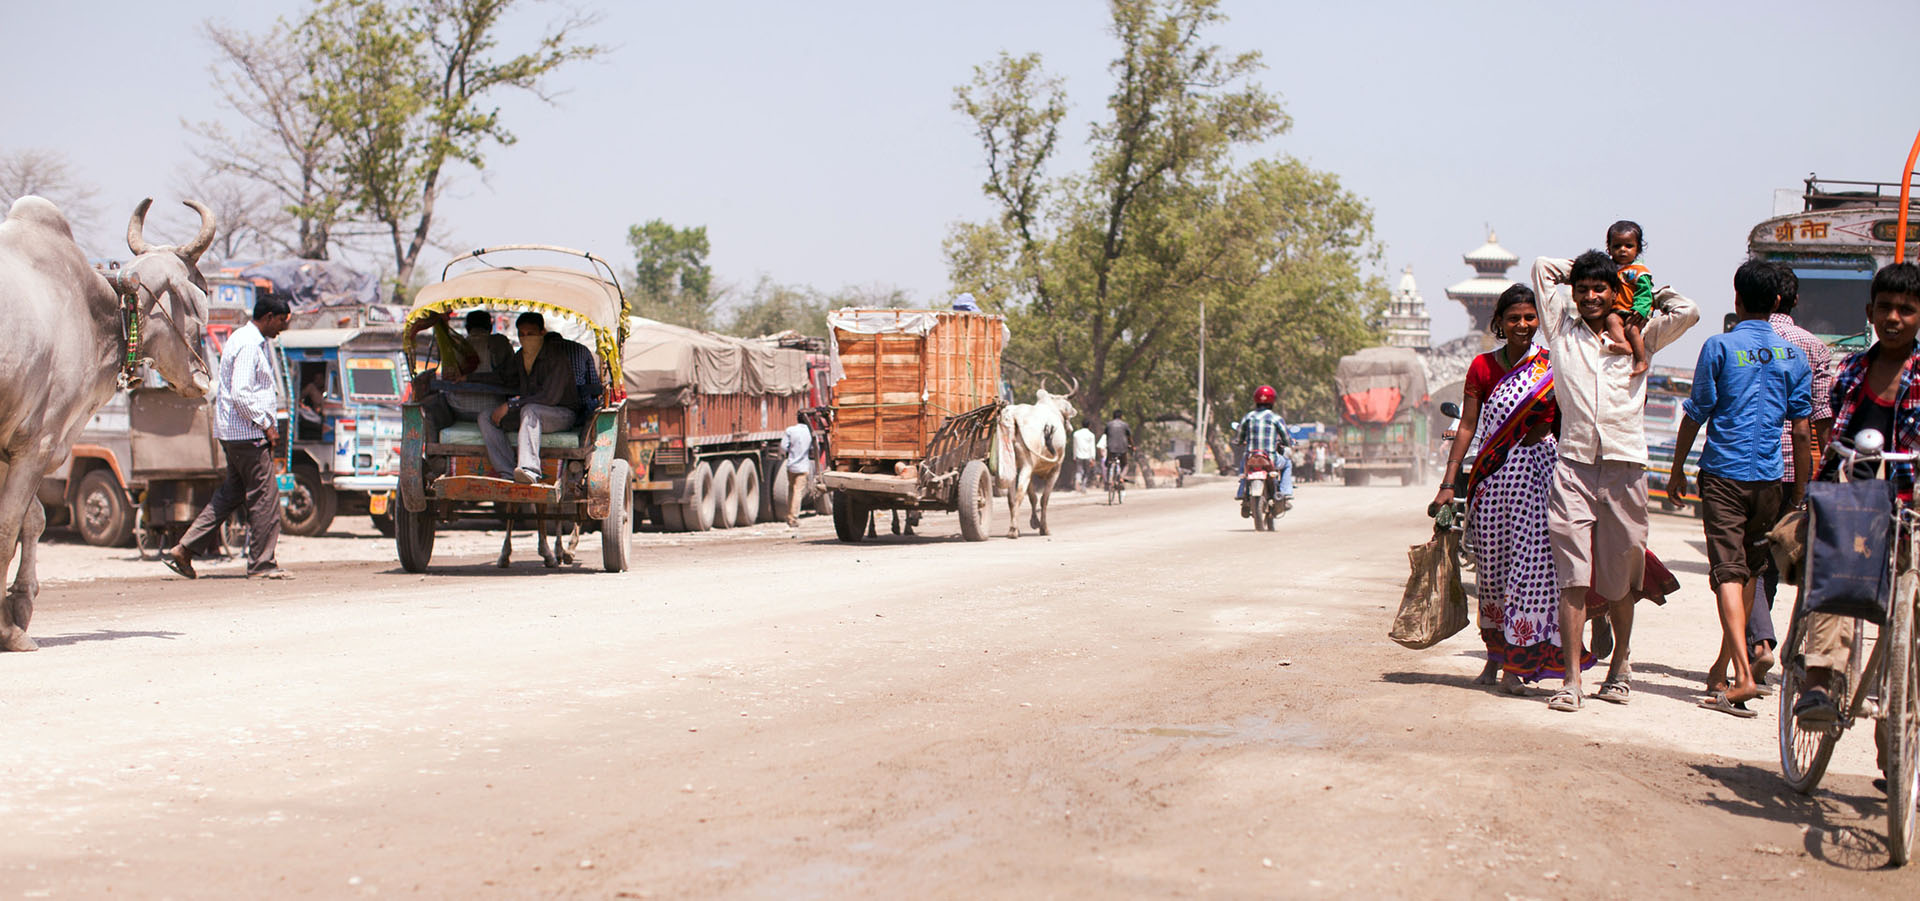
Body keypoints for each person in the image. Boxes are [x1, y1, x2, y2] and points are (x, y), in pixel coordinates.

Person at [1532, 249, 1699, 712]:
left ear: (1613, 292)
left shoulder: (1640, 332)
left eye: (1598, 289)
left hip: (1626, 466)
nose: (1588, 296)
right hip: (1574, 465)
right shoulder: (1560, 329)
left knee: (1621, 576)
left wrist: (1636, 284)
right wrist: (1589, 266)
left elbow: (1689, 311)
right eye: (1582, 289)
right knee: (1573, 578)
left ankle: (1620, 664)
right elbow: (1543, 266)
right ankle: (1570, 681)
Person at [1666, 261, 1812, 717]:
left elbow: (1696, 412)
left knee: (1727, 574)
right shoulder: (1795, 356)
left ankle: (1743, 677)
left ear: (1736, 299)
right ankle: (1722, 667)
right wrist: (1800, 494)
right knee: (1748, 571)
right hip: (1769, 480)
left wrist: (1676, 468)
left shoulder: (1719, 347)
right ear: (1776, 303)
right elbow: (1804, 433)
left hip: (1724, 476)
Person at [1432, 284, 1583, 692]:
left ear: (1540, 321)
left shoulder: (1553, 367)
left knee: (1531, 572)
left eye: (1530, 317)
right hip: (1491, 484)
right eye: (1513, 318)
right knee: (1492, 576)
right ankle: (1494, 659)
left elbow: (1566, 427)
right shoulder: (1481, 367)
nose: (1522, 325)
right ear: (1498, 321)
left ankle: (1519, 665)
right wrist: (1449, 482)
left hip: (1539, 483)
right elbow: (1467, 426)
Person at [1794, 262, 1920, 730]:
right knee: (1839, 580)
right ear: (1870, 312)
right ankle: (1820, 681)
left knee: (1910, 620)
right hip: (1854, 501)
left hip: (1910, 501)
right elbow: (1829, 440)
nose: (1894, 318)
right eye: (1885, 307)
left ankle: (1897, 738)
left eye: (1906, 310)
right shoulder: (1850, 370)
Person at [160, 296, 294, 580]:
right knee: (265, 498)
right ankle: (261, 564)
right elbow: (241, 393)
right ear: (269, 317)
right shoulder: (248, 345)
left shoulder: (247, 340)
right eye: (282, 321)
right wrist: (267, 424)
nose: (283, 328)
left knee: (230, 494)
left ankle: (185, 549)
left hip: (235, 433)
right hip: (247, 434)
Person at [1748, 264, 1834, 682]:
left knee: (1749, 559)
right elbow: (1818, 420)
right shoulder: (1814, 348)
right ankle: (1759, 645)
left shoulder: (1742, 340)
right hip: (1795, 465)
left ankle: (1758, 643)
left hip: (1747, 462)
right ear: (1793, 300)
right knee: (1781, 553)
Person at [480, 312, 579, 484]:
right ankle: (508, 472)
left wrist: (511, 405)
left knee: (530, 410)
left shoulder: (556, 358)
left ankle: (529, 470)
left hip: (561, 414)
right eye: (522, 335)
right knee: (486, 417)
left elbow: (549, 398)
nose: (526, 339)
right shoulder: (521, 356)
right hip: (529, 414)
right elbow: (503, 377)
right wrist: (467, 378)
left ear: (542, 333)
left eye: (531, 334)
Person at [1603, 221, 1655, 377]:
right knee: (1611, 320)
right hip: (1618, 310)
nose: (1622, 250)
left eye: (1628, 246)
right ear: (1609, 249)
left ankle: (1640, 360)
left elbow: (1645, 293)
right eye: (1617, 246)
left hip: (1634, 311)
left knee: (1631, 330)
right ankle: (1624, 345)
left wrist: (1640, 309)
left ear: (1638, 248)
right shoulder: (1610, 269)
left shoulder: (1639, 271)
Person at [1232, 385, 1293, 512]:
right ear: (1273, 401)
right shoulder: (1276, 418)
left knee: (1244, 471)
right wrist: (1289, 442)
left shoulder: (1248, 417)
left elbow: (1239, 438)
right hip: (1271, 459)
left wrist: (1238, 441)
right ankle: (1286, 493)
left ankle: (1241, 493)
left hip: (1251, 458)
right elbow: (1286, 439)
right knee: (1287, 463)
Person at [781, 417, 813, 528]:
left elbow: (783, 447)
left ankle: (789, 514)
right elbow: (814, 448)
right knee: (797, 491)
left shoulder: (790, 430)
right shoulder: (810, 432)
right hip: (803, 466)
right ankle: (793, 517)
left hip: (791, 465)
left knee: (791, 489)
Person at [1104, 410, 1133, 486]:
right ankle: (1121, 477)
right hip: (1122, 448)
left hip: (1110, 448)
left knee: (1108, 462)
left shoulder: (1109, 424)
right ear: (1121, 416)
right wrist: (1132, 446)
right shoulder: (1125, 425)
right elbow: (1129, 437)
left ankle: (1109, 478)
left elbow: (1106, 435)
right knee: (1125, 464)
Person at [1071, 419, 1097, 491]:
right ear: (1089, 426)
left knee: (1079, 471)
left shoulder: (1076, 434)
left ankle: (1078, 479)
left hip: (1078, 455)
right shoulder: (1091, 435)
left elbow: (1075, 446)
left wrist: (1074, 456)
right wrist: (1093, 457)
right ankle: (1083, 486)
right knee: (1087, 472)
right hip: (1088, 456)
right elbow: (1092, 447)